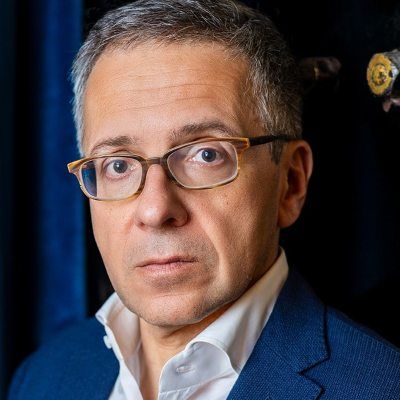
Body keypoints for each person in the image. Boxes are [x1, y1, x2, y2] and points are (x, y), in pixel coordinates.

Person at [8, 0, 400, 399]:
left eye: (207, 155)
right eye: (118, 165)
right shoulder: (41, 378)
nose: (155, 210)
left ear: (291, 183)